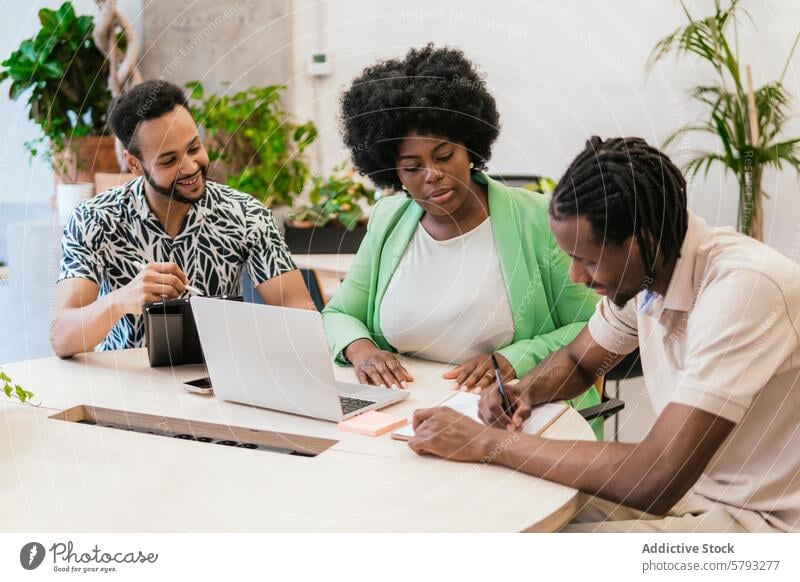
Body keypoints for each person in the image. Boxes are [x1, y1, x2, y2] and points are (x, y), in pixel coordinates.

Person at [407, 136, 800, 533]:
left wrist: (486, 443)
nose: (576, 276)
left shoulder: (745, 289)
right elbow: (579, 361)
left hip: (762, 523)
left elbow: (656, 477)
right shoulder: (650, 270)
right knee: (491, 512)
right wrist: (524, 390)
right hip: (695, 495)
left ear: (641, 242)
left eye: (587, 260)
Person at [322, 44, 602, 436]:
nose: (432, 174)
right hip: (406, 418)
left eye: (444, 155)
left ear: (469, 146)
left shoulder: (537, 218)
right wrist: (362, 350)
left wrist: (512, 359)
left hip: (515, 414)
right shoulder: (389, 220)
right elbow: (338, 314)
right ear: (392, 173)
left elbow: (596, 327)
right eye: (412, 167)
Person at [51, 80, 315, 358]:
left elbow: (302, 318)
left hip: (217, 385)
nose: (190, 167)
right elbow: (61, 337)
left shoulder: (247, 215)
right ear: (134, 164)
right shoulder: (94, 219)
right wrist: (119, 301)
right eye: (168, 160)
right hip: (123, 389)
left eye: (194, 148)